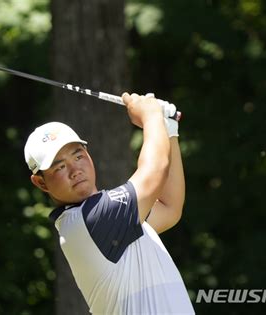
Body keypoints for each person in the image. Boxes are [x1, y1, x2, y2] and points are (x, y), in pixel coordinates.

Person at [24, 92, 195, 314]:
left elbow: (169, 207)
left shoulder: (116, 221)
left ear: (88, 154)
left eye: (78, 156)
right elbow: (154, 172)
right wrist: (151, 116)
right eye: (60, 167)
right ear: (41, 182)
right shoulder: (90, 220)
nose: (75, 171)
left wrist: (168, 129)